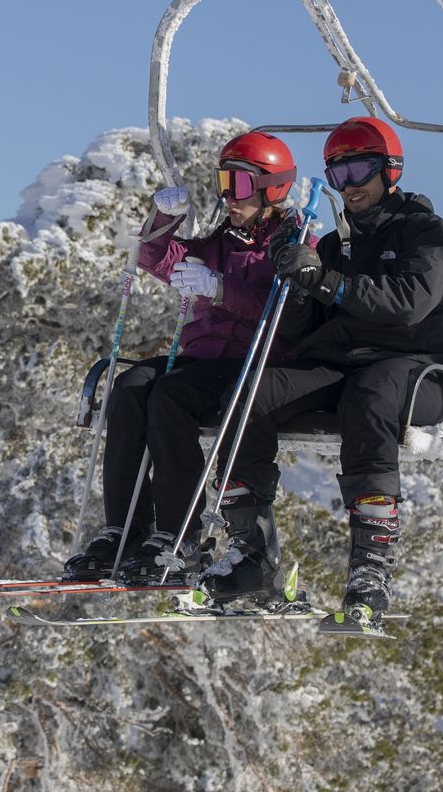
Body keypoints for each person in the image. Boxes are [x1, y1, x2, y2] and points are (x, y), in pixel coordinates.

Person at [177, 116, 443, 620]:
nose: (349, 187)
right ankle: (251, 553)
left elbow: (408, 304)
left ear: (389, 170)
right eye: (338, 176)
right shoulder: (335, 245)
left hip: (420, 371)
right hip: (345, 366)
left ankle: (371, 566)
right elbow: (305, 327)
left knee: (372, 394)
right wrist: (294, 282)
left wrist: (328, 281)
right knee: (252, 390)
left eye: (359, 171)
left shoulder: (429, 235)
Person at [62, 131, 298, 584]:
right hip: (201, 357)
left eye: (243, 185)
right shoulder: (219, 242)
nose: (230, 195)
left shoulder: (292, 246)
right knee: (129, 389)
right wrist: (163, 220)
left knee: (170, 396)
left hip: (252, 360)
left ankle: (179, 534)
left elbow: (288, 307)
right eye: (225, 183)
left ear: (275, 187)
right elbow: (158, 259)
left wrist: (221, 289)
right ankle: (126, 529)